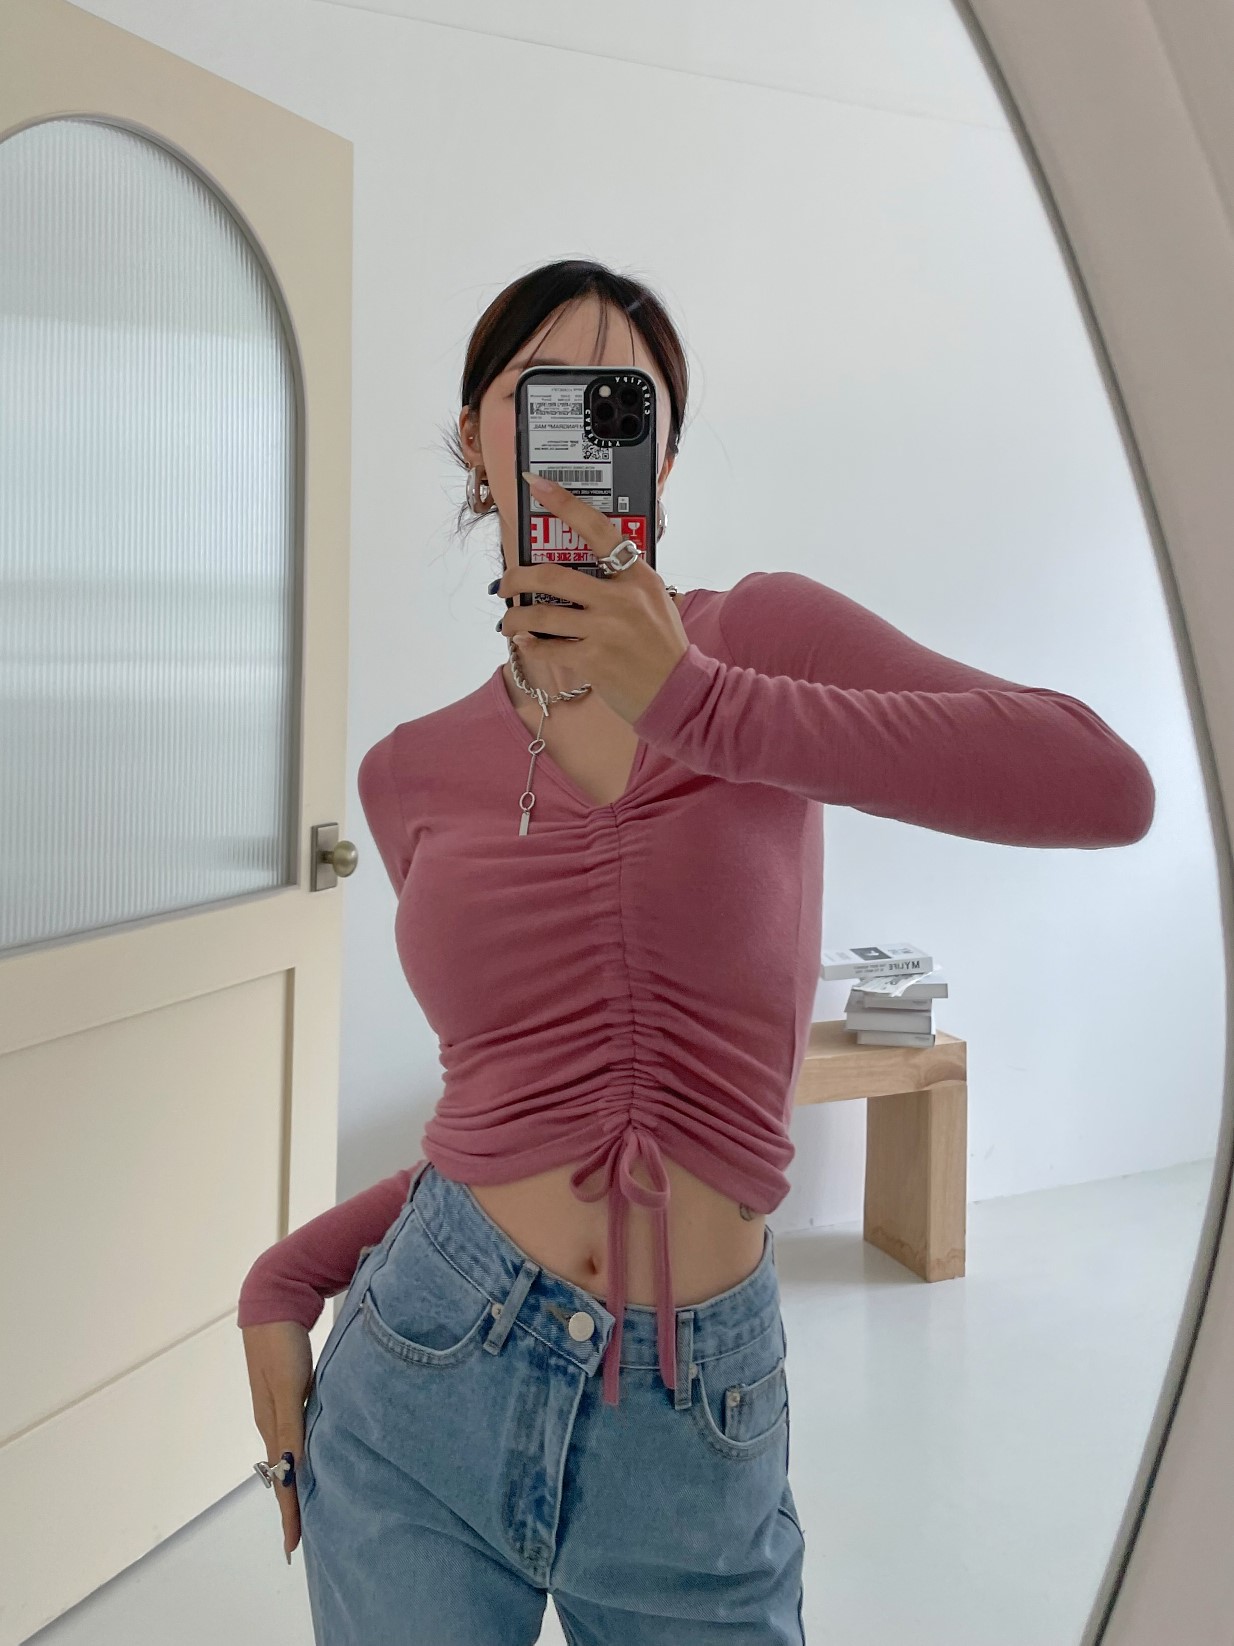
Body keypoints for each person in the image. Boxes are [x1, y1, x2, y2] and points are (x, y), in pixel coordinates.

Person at [238, 259, 1155, 1644]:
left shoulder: (759, 643)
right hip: (422, 1367)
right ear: (476, 440)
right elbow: (512, 1109)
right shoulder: (407, 771)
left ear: (659, 459)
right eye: (540, 390)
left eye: (623, 400)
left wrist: (696, 701)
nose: (581, 423)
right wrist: (291, 1271)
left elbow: (1102, 784)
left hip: (691, 1414)